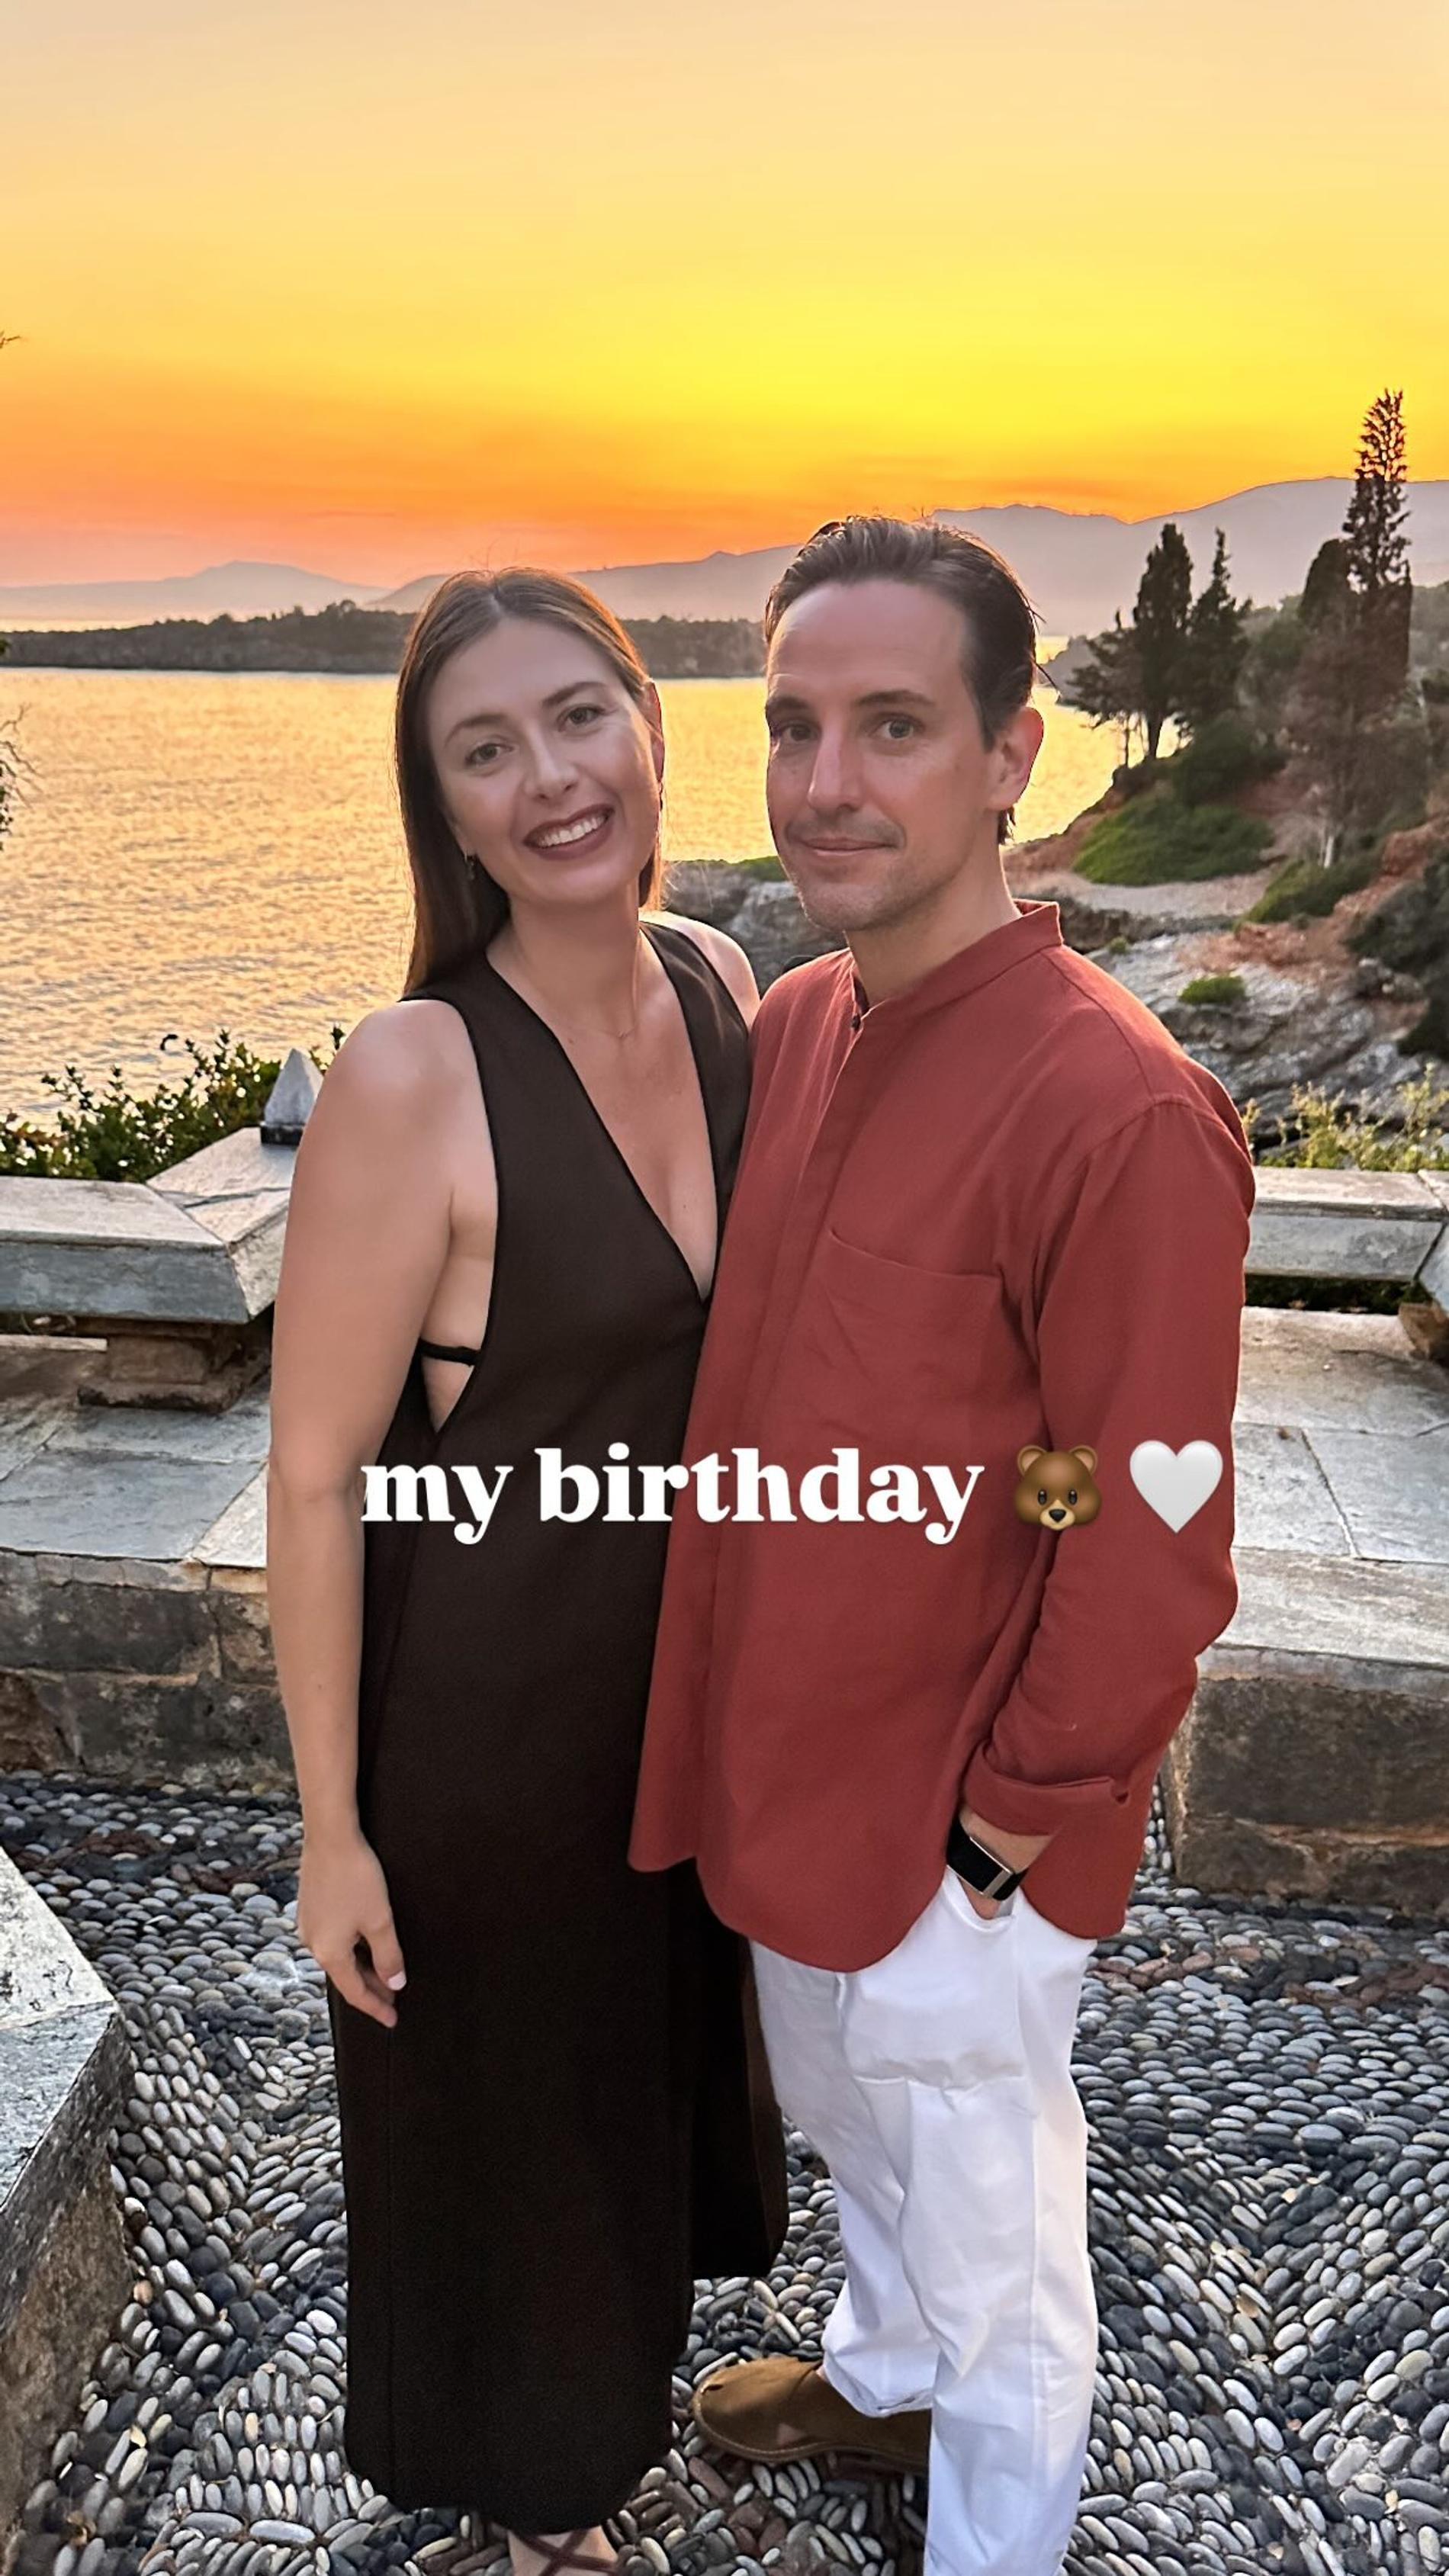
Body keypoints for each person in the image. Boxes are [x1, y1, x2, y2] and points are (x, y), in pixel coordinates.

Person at [628, 516, 1256, 2576]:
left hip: (960, 1827)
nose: (825, 780)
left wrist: (1004, 1833)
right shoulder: (806, 1019)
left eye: (892, 725)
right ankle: (883, 2378)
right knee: (848, 2126)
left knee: (996, 2221)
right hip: (792, 1776)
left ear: (1010, 755)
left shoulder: (1117, 1108)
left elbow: (1142, 1519)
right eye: (792, 723)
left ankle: (995, 2530)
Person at [265, 567, 788, 2576]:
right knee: (516, 2135)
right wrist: (332, 1832)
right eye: (485, 750)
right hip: (487, 1734)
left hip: (682, 1707)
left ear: (650, 722)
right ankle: (540, 2512)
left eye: (578, 715)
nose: (551, 777)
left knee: (634, 2100)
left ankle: (602, 2421)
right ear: (449, 816)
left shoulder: (722, 984)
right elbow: (317, 1479)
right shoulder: (415, 1072)